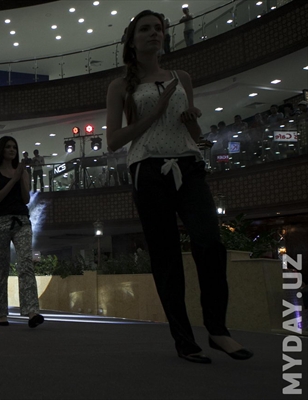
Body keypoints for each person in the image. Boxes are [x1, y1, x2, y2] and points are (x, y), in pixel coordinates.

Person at [105, 10, 252, 364]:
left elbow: (195, 136)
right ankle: (184, 340)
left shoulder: (181, 77)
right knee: (166, 255)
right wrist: (154, 113)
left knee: (210, 243)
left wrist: (192, 121)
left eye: (158, 28)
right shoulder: (120, 86)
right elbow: (113, 140)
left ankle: (217, 329)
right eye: (145, 29)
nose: (154, 33)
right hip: (147, 168)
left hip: (188, 165)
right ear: (132, 40)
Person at [0, 136, 44, 328]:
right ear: (1, 149)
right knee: (1, 268)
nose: (12, 150)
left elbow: (26, 198)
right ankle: (1, 313)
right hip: (0, 222)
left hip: (22, 221)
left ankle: (32, 312)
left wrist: (22, 178)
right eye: (8, 147)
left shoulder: (21, 171)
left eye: (14, 147)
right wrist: (14, 179)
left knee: (26, 264)